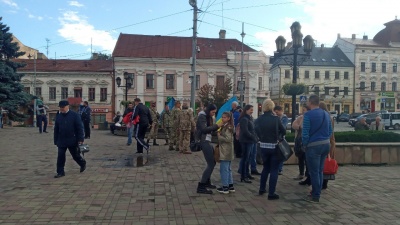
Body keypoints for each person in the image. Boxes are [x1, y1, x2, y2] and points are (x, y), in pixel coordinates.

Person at [302, 95, 332, 203]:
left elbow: (305, 133)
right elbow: (330, 131)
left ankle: (316, 195)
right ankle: (317, 192)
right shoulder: (326, 114)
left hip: (313, 146)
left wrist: (305, 145)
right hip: (325, 145)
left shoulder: (308, 115)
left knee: (314, 172)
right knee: (319, 171)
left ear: (310, 102)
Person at [255, 99, 285, 200]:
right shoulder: (276, 119)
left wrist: (260, 137)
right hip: (274, 146)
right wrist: (278, 137)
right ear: (272, 107)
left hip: (263, 146)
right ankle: (271, 193)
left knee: (265, 168)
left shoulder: (259, 119)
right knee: (274, 170)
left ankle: (262, 188)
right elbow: (283, 131)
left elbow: (255, 130)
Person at [53, 100, 86, 178]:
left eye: (63, 107)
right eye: (60, 107)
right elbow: (56, 129)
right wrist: (55, 140)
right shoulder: (59, 116)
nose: (61, 109)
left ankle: (82, 163)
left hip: (72, 139)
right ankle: (60, 172)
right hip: (61, 140)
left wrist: (80, 139)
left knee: (75, 155)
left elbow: (80, 128)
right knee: (60, 156)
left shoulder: (74, 115)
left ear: (67, 106)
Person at [196, 104, 222, 194]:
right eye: (213, 112)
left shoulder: (208, 116)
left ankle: (207, 182)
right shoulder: (202, 116)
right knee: (211, 163)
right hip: (204, 141)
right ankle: (201, 186)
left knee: (212, 162)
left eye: (215, 112)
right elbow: (204, 129)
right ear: (209, 110)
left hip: (207, 140)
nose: (213, 114)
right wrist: (217, 126)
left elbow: (209, 129)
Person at [238, 104, 258, 184]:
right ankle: (244, 176)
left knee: (248, 158)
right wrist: (253, 137)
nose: (252, 111)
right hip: (246, 141)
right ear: (246, 110)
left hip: (250, 141)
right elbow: (245, 131)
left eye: (252, 110)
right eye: (251, 110)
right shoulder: (244, 119)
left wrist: (255, 137)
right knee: (245, 158)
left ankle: (247, 173)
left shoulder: (250, 118)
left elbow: (253, 129)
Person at [217, 112, 235, 194]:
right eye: (222, 117)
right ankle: (230, 185)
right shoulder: (226, 126)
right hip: (228, 150)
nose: (222, 119)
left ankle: (225, 187)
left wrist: (219, 136)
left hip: (226, 150)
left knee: (224, 169)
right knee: (228, 168)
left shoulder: (228, 127)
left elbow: (228, 139)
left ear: (228, 118)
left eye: (224, 117)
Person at [319, 102, 336, 190]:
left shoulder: (323, 117)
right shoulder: (330, 117)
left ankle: (322, 182)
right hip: (330, 142)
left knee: (323, 163)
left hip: (325, 142)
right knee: (327, 162)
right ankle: (325, 182)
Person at [292, 104, 310, 181]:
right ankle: (301, 173)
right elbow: (294, 125)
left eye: (304, 110)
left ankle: (307, 174)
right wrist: (299, 126)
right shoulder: (300, 117)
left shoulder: (310, 118)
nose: (303, 111)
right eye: (302, 110)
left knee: (307, 159)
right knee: (300, 158)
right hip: (300, 141)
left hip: (308, 143)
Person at [274, 105, 288, 175]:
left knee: (281, 154)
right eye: (275, 112)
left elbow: (283, 128)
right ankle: (277, 168)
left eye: (277, 112)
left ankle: (280, 169)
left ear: (281, 111)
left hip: (281, 138)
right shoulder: (275, 118)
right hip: (275, 138)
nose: (276, 113)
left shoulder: (284, 118)